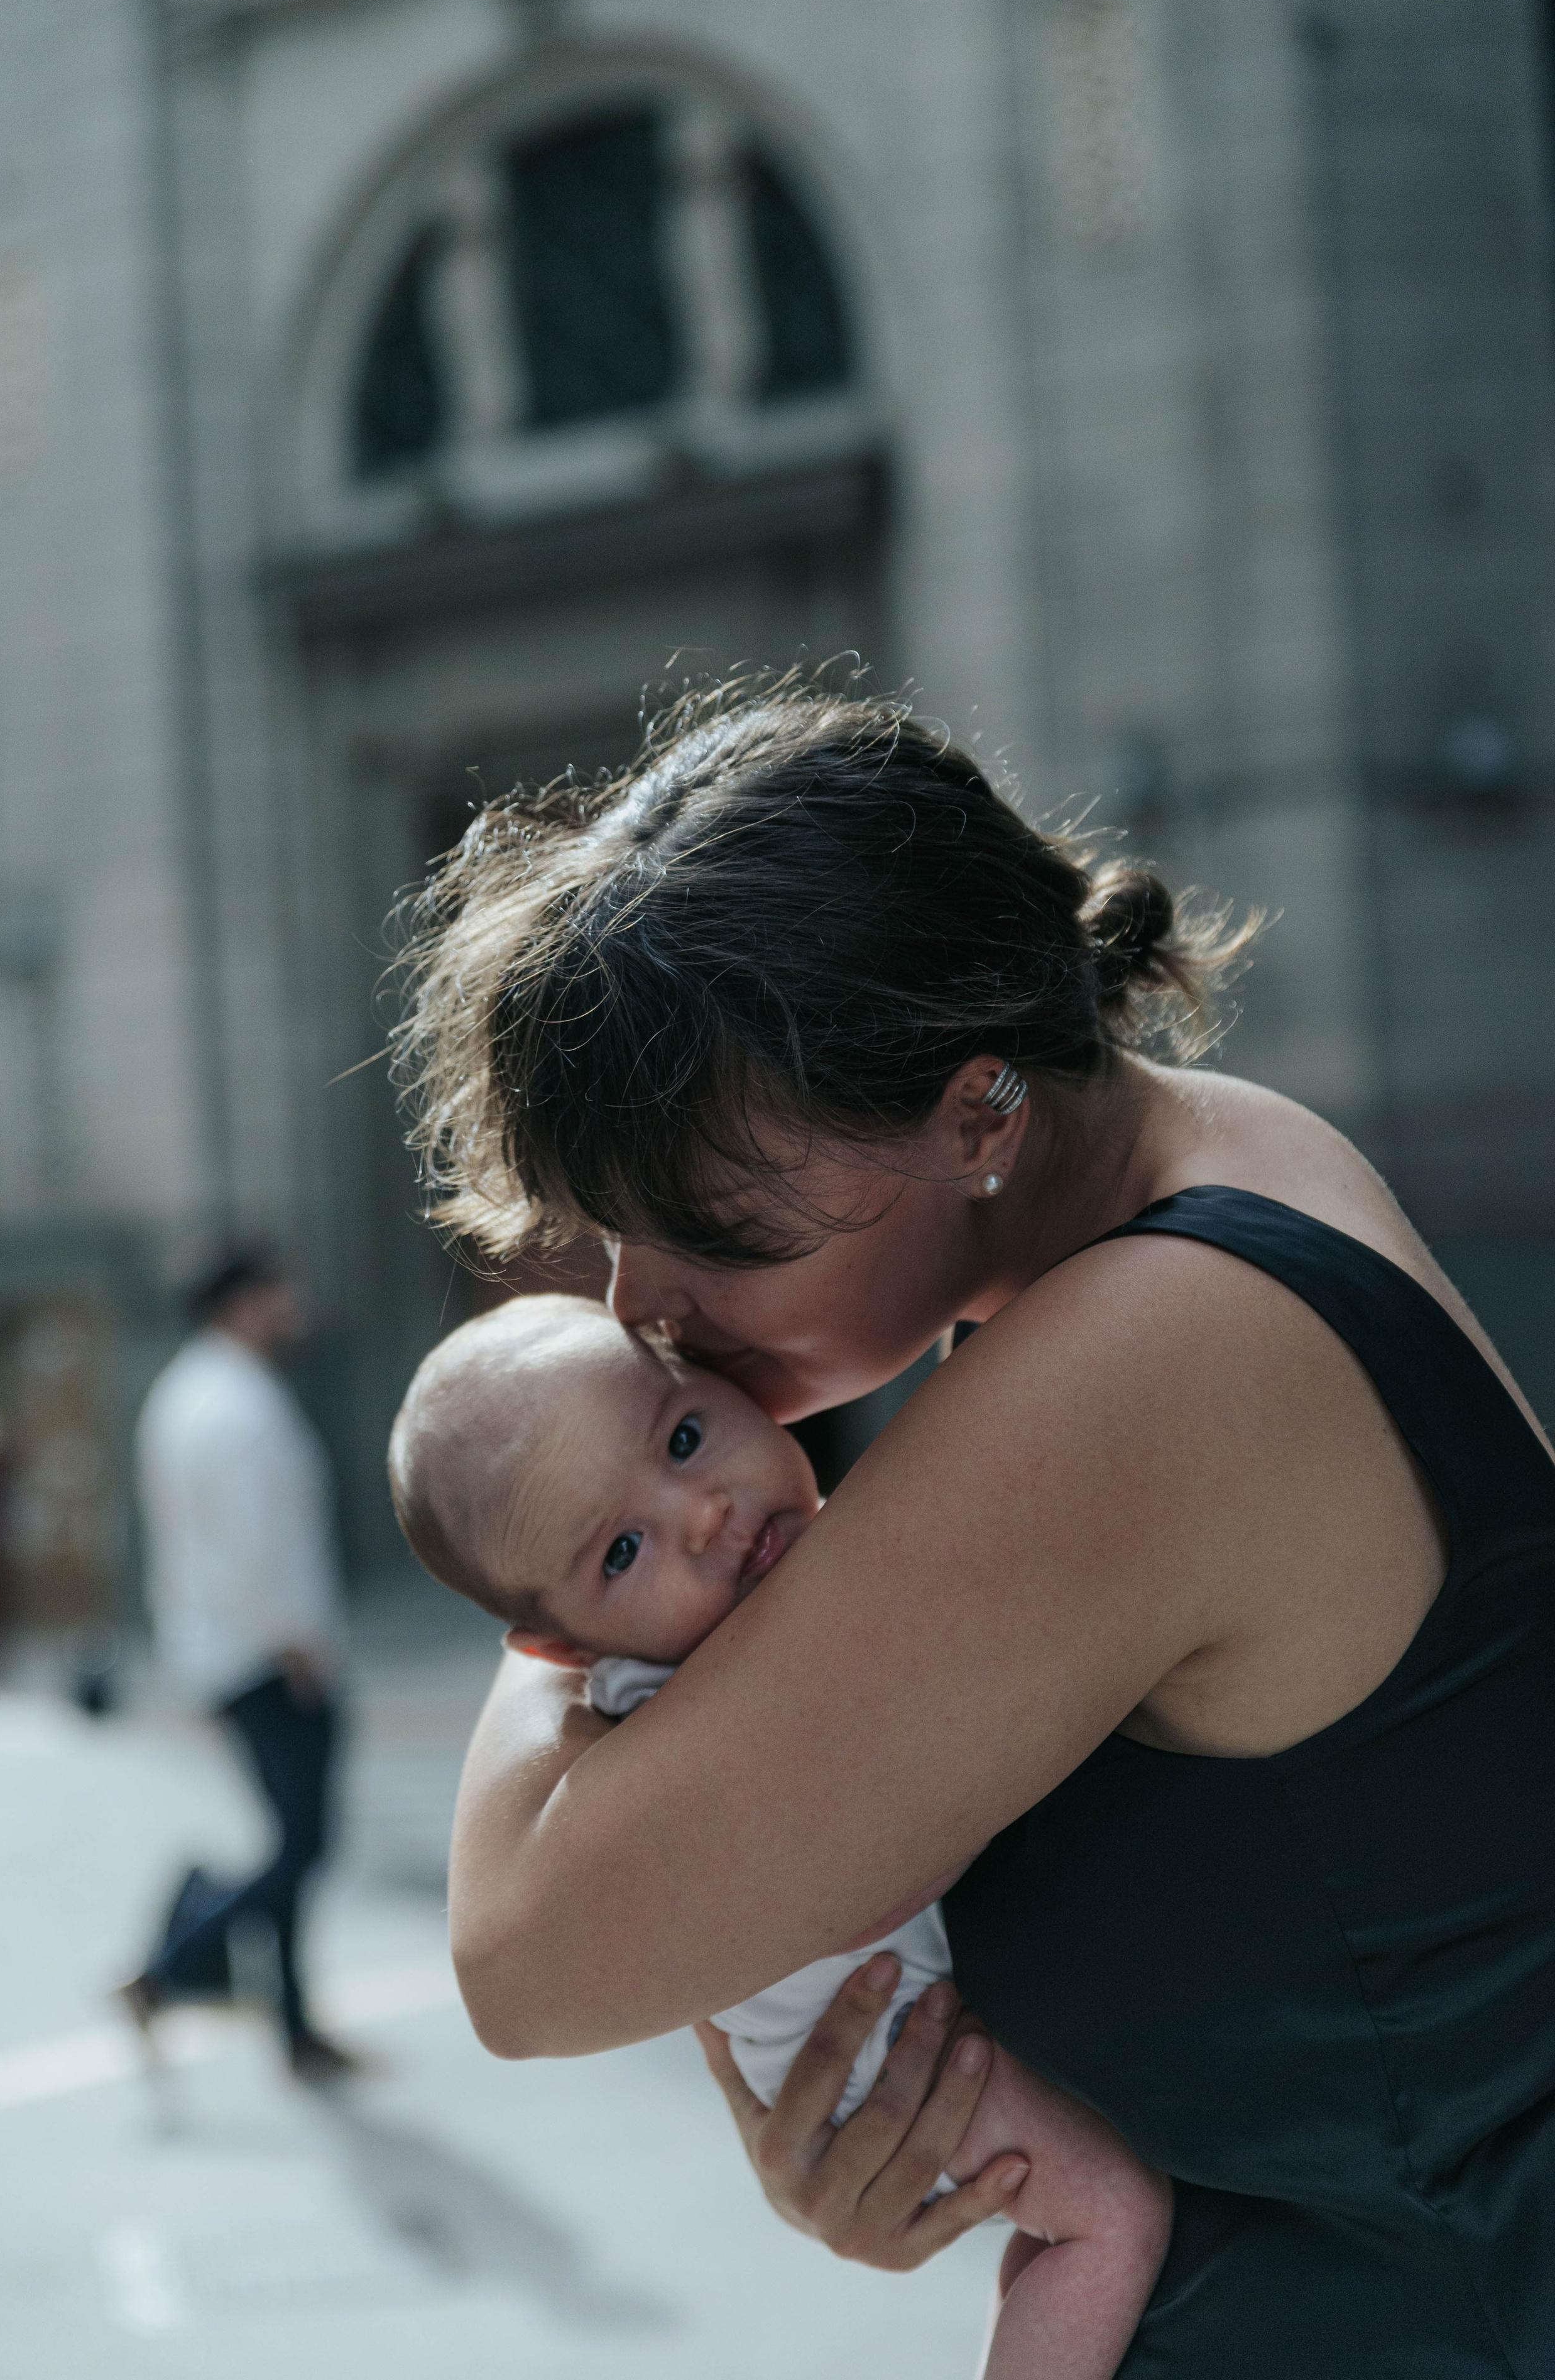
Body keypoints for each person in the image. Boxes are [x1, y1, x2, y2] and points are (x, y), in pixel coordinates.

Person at [392, 681, 1555, 2374]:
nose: (642, 1307)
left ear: (980, 1112)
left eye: (710, 1225)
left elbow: (525, 1958)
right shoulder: (1221, 1159)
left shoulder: (1142, 1358)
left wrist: (550, 1571)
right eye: (608, 1236)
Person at [386, 1293, 1173, 2380]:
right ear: (562, 1647)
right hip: (888, 2052)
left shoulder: (781, 1583)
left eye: (687, 1436)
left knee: (1064, 2223)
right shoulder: (673, 1696)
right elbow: (859, 1862)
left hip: (901, 2018)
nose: (701, 1512)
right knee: (1109, 2219)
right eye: (622, 1549)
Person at [119, 1248, 358, 2083]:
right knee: (303, 1845)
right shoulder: (236, 1404)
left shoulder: (187, 1393)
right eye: (276, 1291)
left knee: (289, 1840)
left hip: (224, 1648)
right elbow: (254, 1544)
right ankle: (169, 1962)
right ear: (240, 1302)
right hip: (268, 1652)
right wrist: (296, 1642)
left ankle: (294, 2028)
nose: (292, 1305)